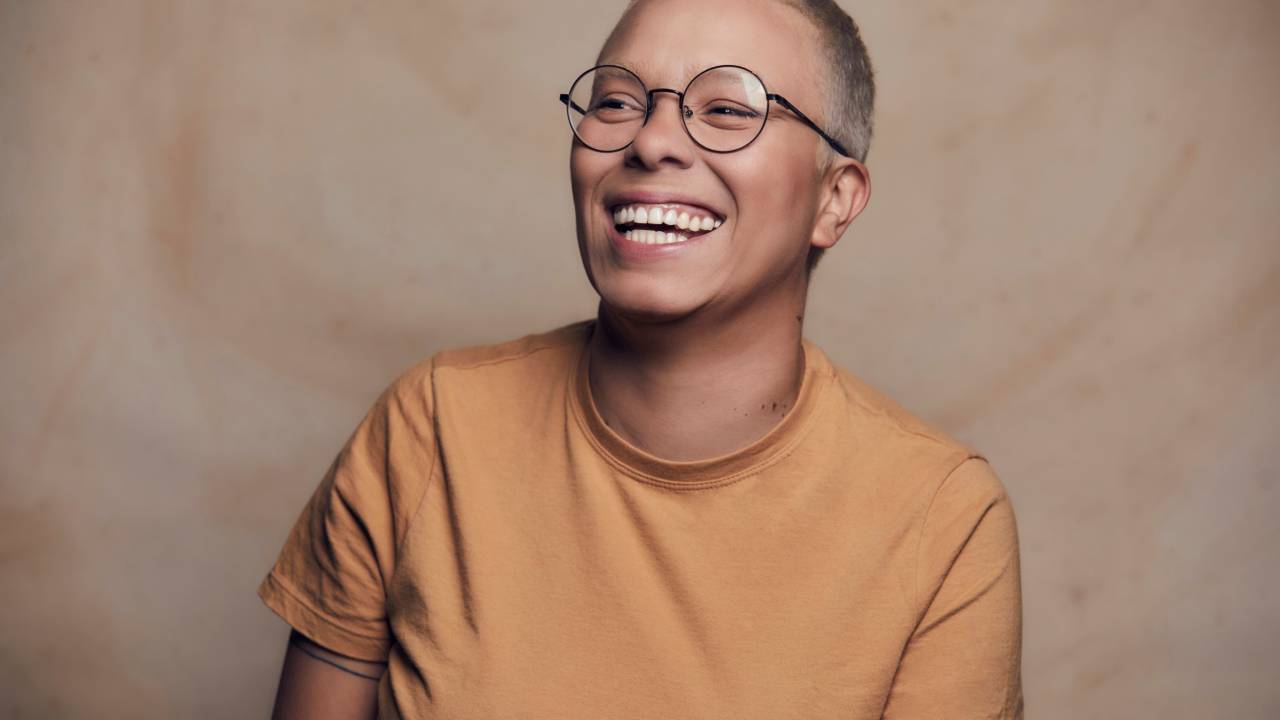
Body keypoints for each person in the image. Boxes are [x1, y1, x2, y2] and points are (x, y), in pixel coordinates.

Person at [258, 0, 1024, 717]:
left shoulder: (944, 519)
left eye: (727, 109)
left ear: (835, 199)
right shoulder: (430, 428)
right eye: (617, 102)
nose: (650, 142)